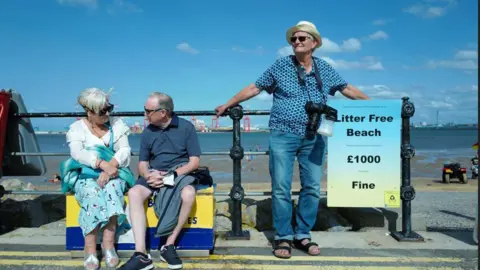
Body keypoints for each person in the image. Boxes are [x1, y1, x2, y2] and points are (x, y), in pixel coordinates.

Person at [215, 21, 370, 259]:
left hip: (314, 136)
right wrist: (229, 104)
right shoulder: (281, 65)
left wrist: (379, 107)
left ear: (314, 43)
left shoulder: (325, 69)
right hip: (282, 134)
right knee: (280, 188)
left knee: (312, 188)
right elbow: (255, 88)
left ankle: (303, 234)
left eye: (301, 39)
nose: (296, 42)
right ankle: (283, 237)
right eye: (293, 39)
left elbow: (346, 89)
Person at [119, 92, 201, 270]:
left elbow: (194, 162)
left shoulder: (186, 127)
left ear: (163, 112)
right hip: (153, 174)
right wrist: (148, 175)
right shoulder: (147, 132)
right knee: (134, 193)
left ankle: (168, 245)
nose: (145, 114)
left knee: (188, 194)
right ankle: (141, 254)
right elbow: (142, 164)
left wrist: (170, 177)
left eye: (148, 111)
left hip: (178, 174)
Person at [60, 88, 135, 270]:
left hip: (115, 171)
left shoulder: (117, 125)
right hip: (86, 173)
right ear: (89, 111)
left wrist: (111, 167)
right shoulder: (77, 128)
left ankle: (108, 246)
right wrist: (101, 164)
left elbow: (124, 150)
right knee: (92, 193)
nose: (107, 113)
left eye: (108, 108)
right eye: (102, 111)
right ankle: (90, 248)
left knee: (112, 191)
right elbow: (77, 153)